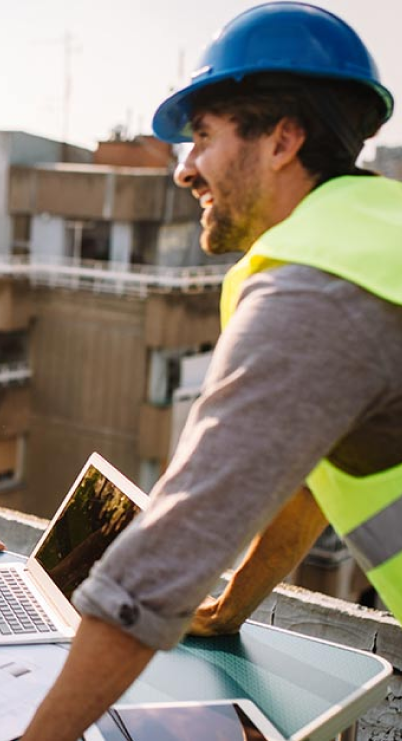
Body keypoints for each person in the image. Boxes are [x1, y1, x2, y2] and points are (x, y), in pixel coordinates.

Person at [23, 3, 402, 738]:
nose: (182, 168)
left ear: (282, 140)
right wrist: (230, 608)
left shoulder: (315, 286)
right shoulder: (372, 237)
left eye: (201, 135)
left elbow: (177, 541)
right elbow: (309, 482)